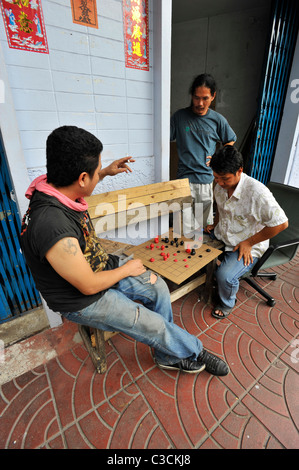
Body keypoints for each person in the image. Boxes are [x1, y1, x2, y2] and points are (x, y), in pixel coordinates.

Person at [20, 125, 229, 376]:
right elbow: (88, 285)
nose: (99, 175)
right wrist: (128, 267)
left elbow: (82, 181)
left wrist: (106, 172)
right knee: (152, 324)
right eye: (97, 172)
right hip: (83, 299)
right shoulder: (51, 225)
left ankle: (166, 354)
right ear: (82, 178)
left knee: (159, 287)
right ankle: (194, 350)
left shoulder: (55, 186)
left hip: (101, 266)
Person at [205, 146, 288, 319]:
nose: (219, 183)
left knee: (225, 276)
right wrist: (215, 223)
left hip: (246, 244)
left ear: (239, 171)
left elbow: (281, 224)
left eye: (224, 179)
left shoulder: (257, 193)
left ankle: (227, 303)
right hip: (223, 233)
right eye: (216, 178)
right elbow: (221, 207)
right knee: (192, 242)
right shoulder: (220, 185)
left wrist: (249, 242)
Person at [170, 73, 236, 234]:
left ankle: (198, 256)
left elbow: (231, 140)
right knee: (181, 229)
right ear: (192, 96)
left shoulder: (217, 120)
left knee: (199, 230)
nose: (200, 103)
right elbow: (164, 140)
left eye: (205, 98)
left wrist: (218, 156)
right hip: (183, 181)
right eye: (196, 97)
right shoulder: (179, 117)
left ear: (213, 96)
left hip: (205, 182)